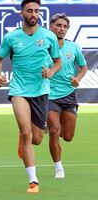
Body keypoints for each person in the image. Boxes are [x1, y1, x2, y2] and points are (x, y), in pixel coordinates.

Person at [0, 0, 62, 194]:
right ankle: (33, 181)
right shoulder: (12, 37)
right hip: (19, 90)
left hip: (41, 91)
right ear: (21, 13)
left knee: (37, 138)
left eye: (37, 11)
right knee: (26, 133)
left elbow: (57, 61)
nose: (34, 14)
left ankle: (25, 138)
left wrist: (51, 72)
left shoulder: (48, 36)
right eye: (30, 11)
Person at [48, 13, 87, 178]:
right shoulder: (44, 46)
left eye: (64, 26)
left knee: (68, 136)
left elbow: (83, 67)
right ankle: (58, 168)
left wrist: (77, 78)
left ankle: (44, 126)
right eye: (58, 25)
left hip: (69, 95)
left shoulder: (74, 47)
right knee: (55, 131)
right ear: (51, 26)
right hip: (49, 95)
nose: (61, 29)